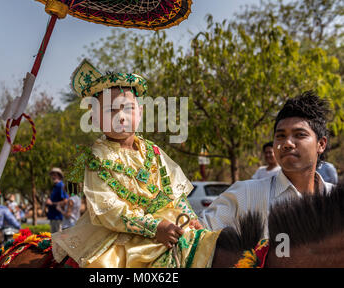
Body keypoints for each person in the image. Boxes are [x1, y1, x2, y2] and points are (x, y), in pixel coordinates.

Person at [51, 59, 219, 268]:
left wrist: (191, 218)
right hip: (119, 235)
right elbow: (109, 209)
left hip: (172, 225)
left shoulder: (154, 152)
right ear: (94, 119)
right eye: (111, 111)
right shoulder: (96, 159)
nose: (121, 117)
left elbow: (176, 194)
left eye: (128, 109)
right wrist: (154, 227)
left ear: (140, 112)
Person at [201, 91, 335, 237]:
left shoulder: (336, 202)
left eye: (299, 135)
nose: (287, 143)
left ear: (321, 144)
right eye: (280, 136)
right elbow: (197, 233)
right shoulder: (245, 195)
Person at [46, 168, 68, 233]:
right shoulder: (55, 186)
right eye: (52, 175)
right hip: (53, 217)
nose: (53, 177)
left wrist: (52, 203)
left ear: (59, 176)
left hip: (58, 217)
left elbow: (65, 201)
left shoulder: (60, 186)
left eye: (55, 175)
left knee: (57, 240)